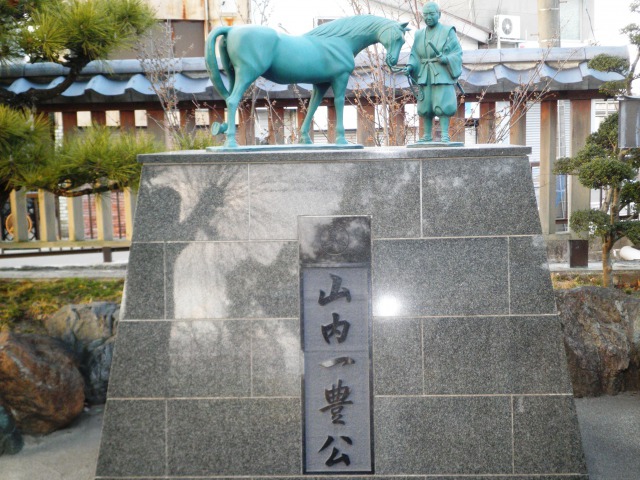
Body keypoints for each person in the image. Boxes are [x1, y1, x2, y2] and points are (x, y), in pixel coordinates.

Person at [406, 2, 463, 143]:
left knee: (442, 102)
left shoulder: (448, 31)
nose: (428, 17)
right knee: (425, 104)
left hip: (441, 73)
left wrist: (446, 59)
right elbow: (414, 55)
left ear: (439, 14)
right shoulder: (419, 34)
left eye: (432, 14)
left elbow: (457, 53)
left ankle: (445, 134)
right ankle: (427, 135)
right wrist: (410, 66)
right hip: (425, 73)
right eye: (425, 14)